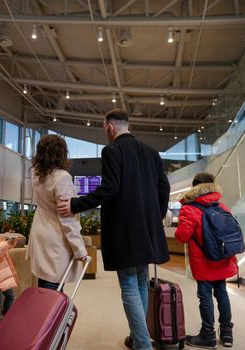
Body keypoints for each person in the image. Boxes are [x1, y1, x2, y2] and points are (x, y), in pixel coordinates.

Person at [57, 109, 170, 350]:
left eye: (104, 129)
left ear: (110, 127)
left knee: (129, 284)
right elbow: (164, 188)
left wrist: (76, 204)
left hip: (125, 229)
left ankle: (143, 345)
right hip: (147, 231)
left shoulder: (112, 150)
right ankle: (138, 337)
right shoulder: (152, 153)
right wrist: (155, 217)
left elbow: (109, 189)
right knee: (140, 282)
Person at [174, 172, 237, 348]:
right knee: (222, 293)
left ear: (194, 188)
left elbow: (182, 236)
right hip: (223, 259)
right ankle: (226, 334)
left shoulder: (190, 208)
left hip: (204, 262)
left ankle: (208, 335)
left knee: (205, 297)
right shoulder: (222, 206)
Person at [26, 134, 87, 291]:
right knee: (54, 286)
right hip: (55, 236)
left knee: (43, 283)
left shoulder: (36, 174)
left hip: (39, 231)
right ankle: (50, 316)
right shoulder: (62, 178)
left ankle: (42, 316)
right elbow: (67, 217)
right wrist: (79, 249)